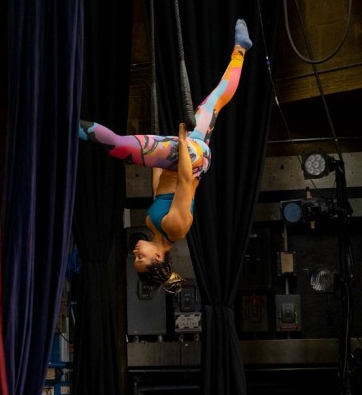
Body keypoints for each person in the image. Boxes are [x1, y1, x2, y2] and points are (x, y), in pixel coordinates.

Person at [79, 19, 253, 293]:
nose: (135, 251)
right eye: (140, 257)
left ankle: (240, 49)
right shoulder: (176, 229)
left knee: (215, 101)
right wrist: (182, 142)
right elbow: (185, 181)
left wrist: (152, 159)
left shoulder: (156, 228)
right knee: (120, 147)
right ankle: (68, 125)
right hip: (190, 160)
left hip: (183, 158)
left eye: (135, 257)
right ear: (158, 257)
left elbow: (161, 189)